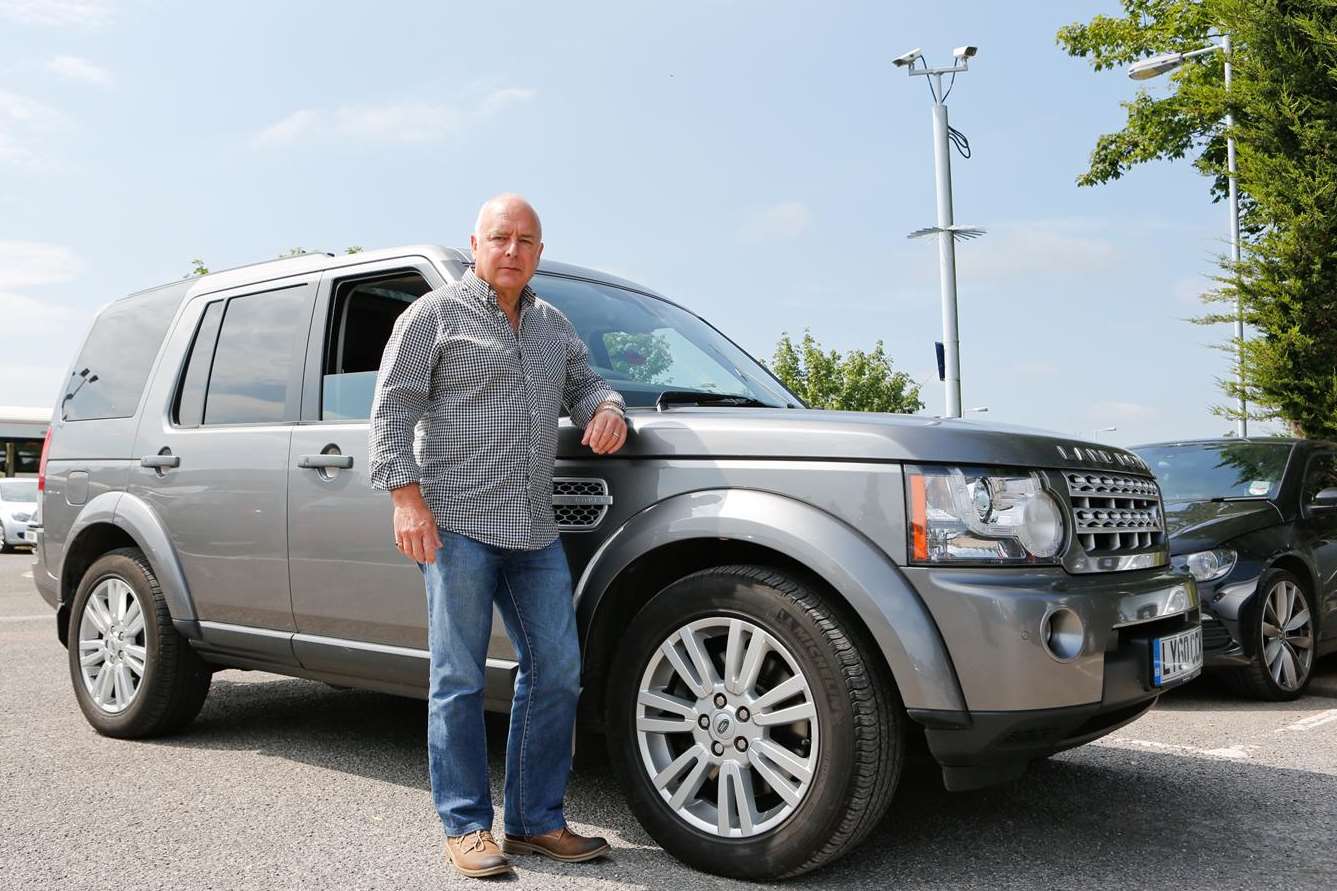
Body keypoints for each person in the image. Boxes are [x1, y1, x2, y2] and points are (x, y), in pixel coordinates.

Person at [369, 194, 628, 878]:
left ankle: (535, 822)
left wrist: (607, 409)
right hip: (454, 521)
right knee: (457, 676)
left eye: (525, 240)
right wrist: (406, 498)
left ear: (538, 252)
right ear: (476, 243)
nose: (512, 249)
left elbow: (589, 383)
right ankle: (464, 826)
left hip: (531, 528)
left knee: (558, 669)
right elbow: (391, 406)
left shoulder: (551, 324)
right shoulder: (433, 315)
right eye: (499, 237)